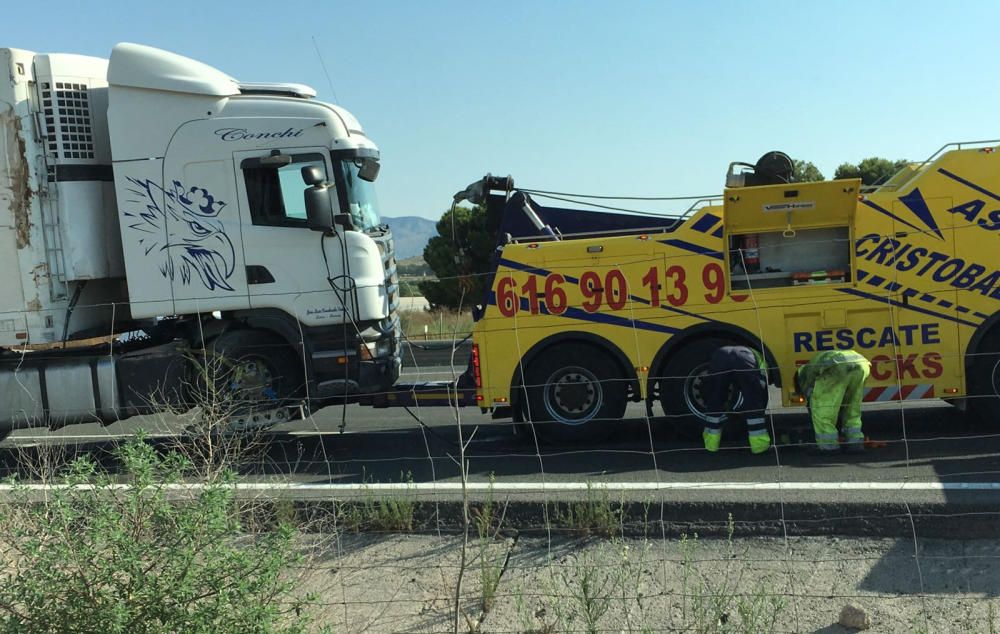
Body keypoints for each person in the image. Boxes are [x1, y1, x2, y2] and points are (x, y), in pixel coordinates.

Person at [794, 350, 871, 454]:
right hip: (862, 365)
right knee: (852, 408)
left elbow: (814, 399)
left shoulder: (803, 376)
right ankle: (855, 442)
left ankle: (828, 446)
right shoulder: (812, 364)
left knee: (823, 410)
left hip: (837, 367)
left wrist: (812, 406)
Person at [703, 345, 771, 454]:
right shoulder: (761, 360)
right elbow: (760, 390)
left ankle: (711, 445)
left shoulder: (734, 351)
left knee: (715, 398)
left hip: (720, 354)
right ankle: (759, 445)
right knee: (753, 402)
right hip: (746, 359)